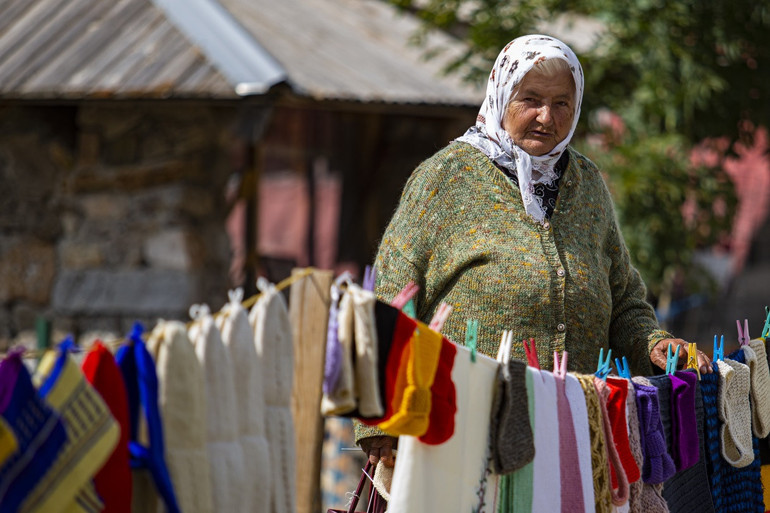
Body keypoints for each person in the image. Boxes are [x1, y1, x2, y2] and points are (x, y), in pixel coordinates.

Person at [356, 34, 712, 468]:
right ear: (501, 95)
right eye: (531, 99)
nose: (547, 116)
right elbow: (389, 303)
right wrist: (378, 422)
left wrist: (655, 343)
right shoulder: (445, 179)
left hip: (577, 437)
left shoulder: (587, 183)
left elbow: (624, 301)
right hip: (463, 434)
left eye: (562, 103)